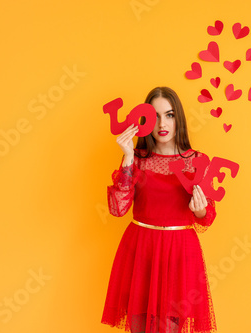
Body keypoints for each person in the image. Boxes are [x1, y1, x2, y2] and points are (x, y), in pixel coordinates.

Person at [101, 87, 217, 333]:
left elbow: (207, 219)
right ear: (144, 121)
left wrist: (199, 210)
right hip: (141, 249)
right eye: (155, 116)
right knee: (139, 326)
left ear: (179, 119)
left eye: (170, 115)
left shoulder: (197, 160)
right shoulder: (138, 159)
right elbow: (118, 209)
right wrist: (128, 157)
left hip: (180, 253)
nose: (162, 123)